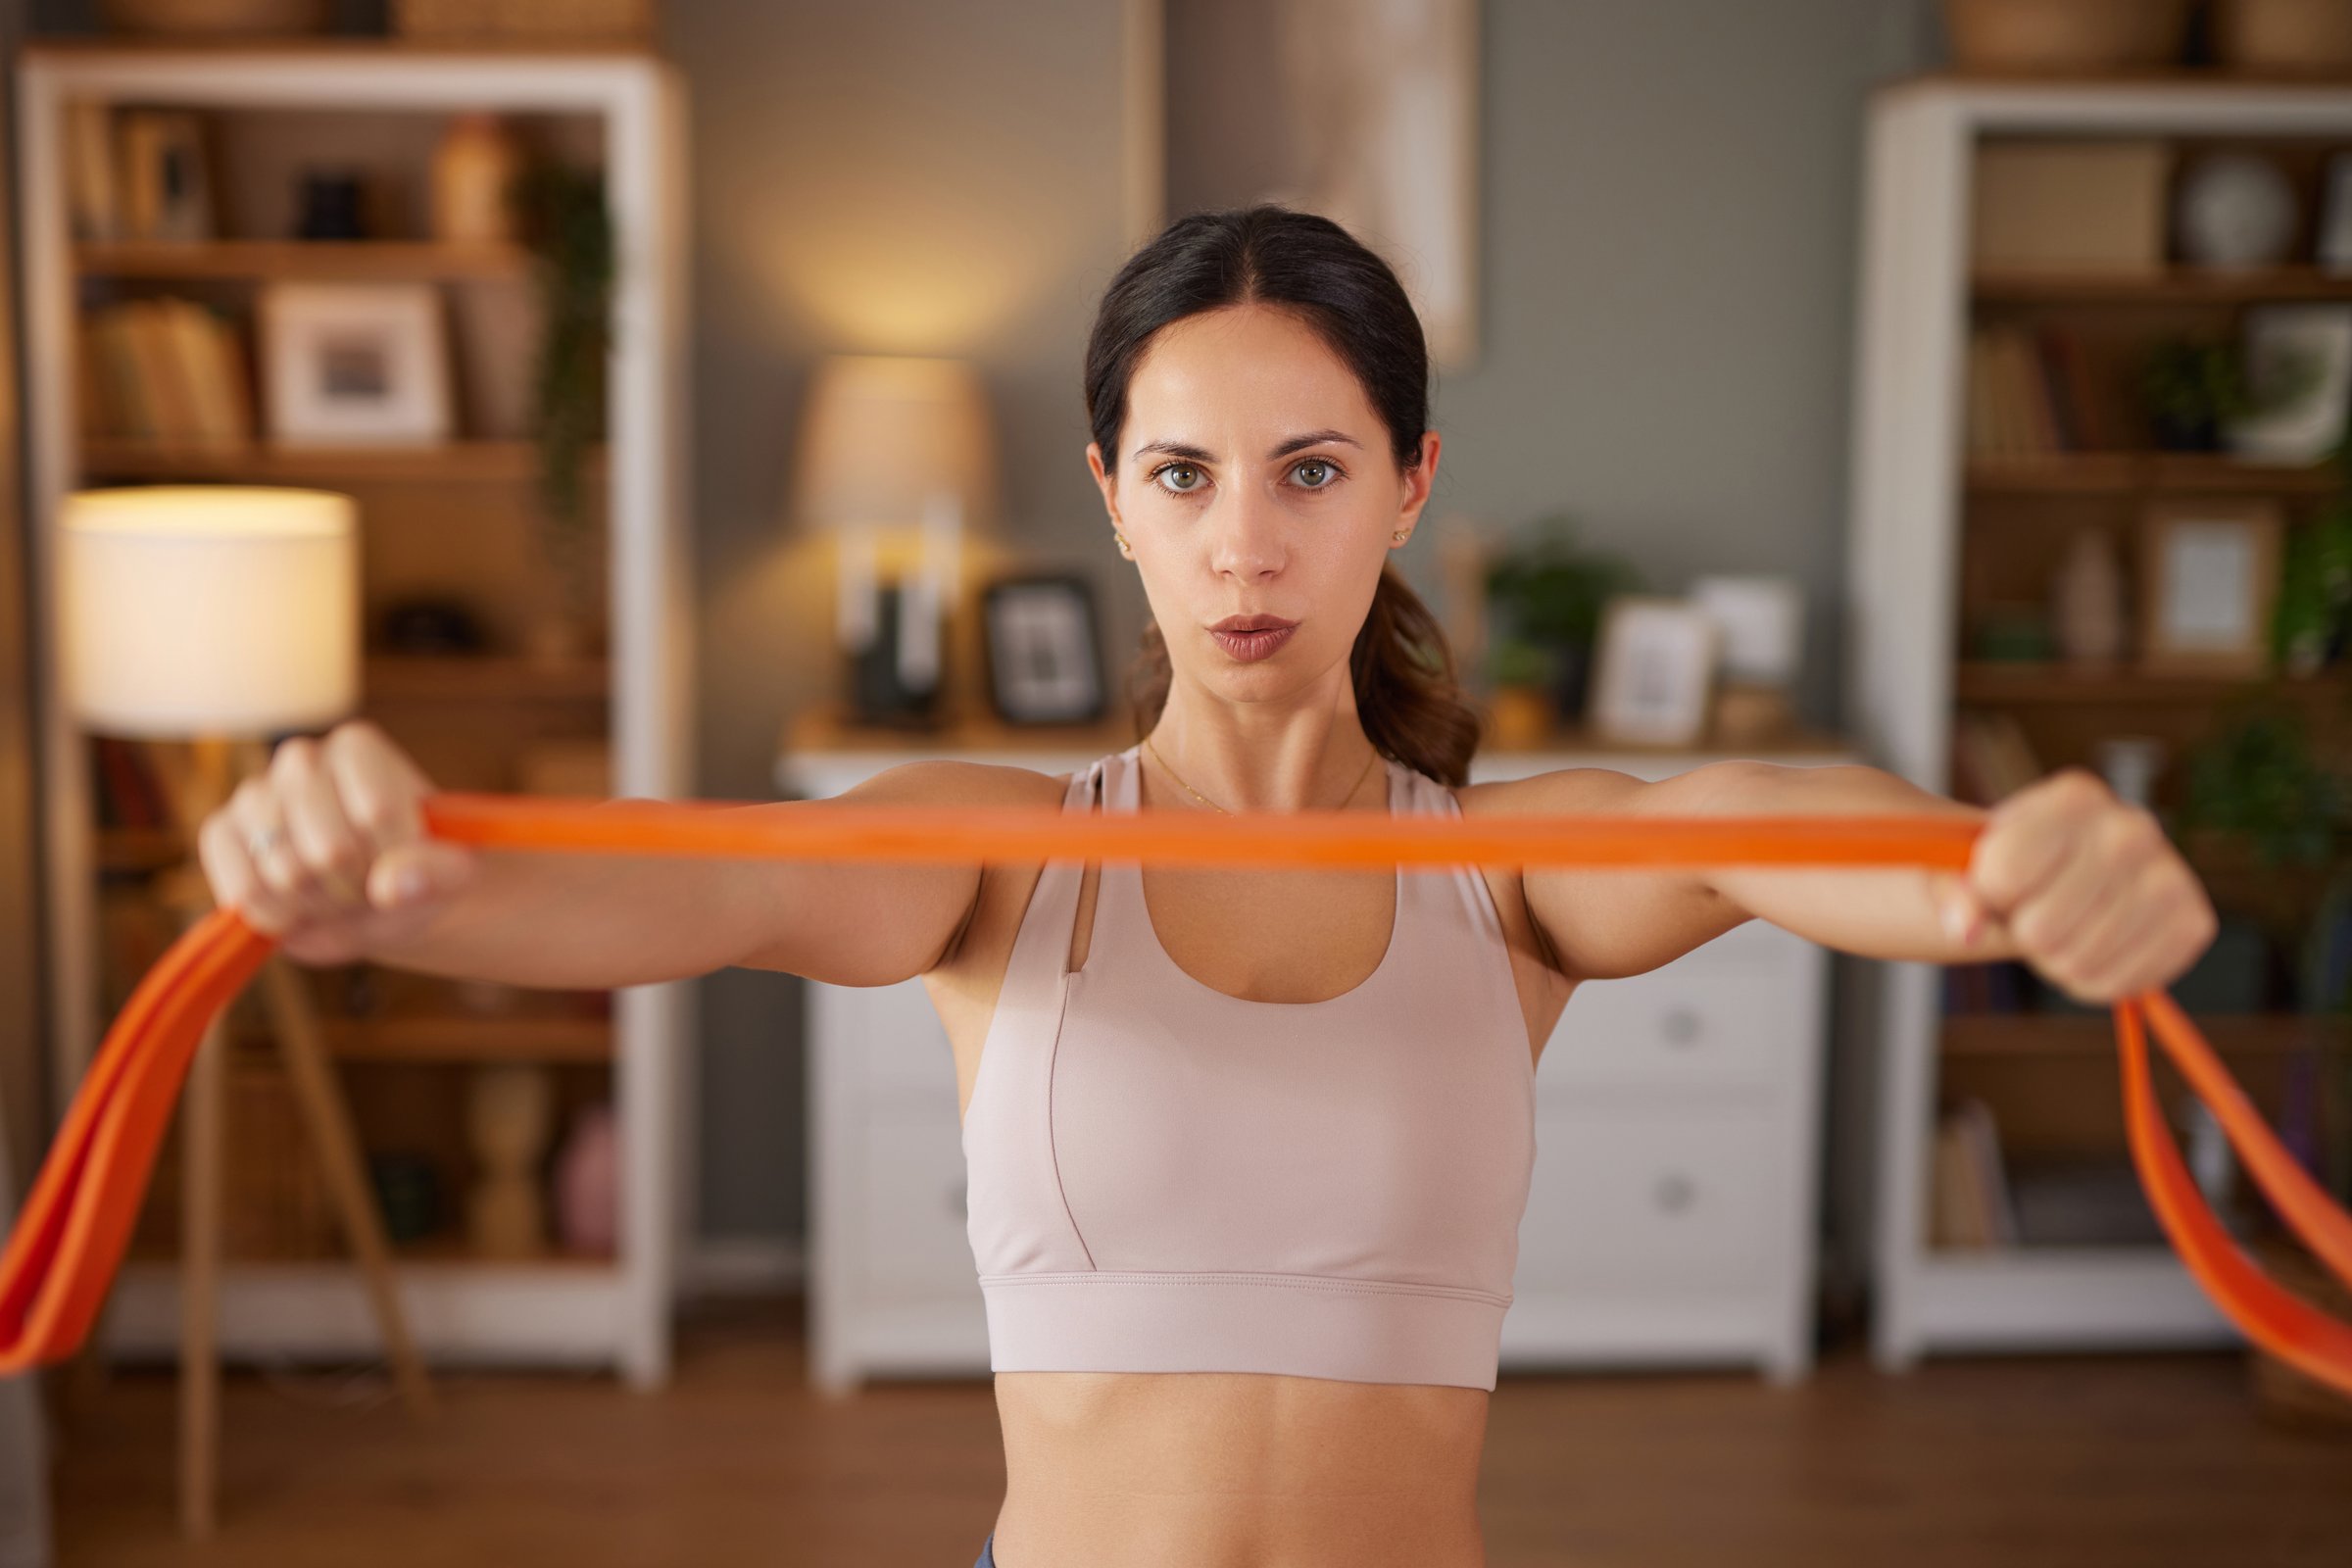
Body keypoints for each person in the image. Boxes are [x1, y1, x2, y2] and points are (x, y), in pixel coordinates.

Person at [199, 205, 2217, 1568]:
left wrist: (1994, 877)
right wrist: (403, 893)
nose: (1247, 544)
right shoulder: (997, 852)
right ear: (1110, 491)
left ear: (1411, 481)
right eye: (1185, 475)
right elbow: (708, 884)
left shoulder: (1513, 871)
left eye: (1312, 469)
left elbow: (1747, 816)